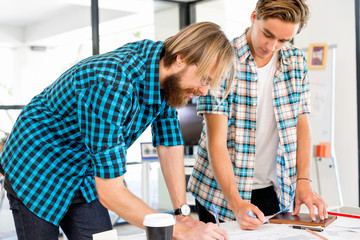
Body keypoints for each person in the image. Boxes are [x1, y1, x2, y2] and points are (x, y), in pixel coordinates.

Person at [0, 22, 236, 240]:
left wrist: (182, 214)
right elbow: (111, 193)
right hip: (36, 162)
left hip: (82, 167)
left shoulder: (165, 74)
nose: (204, 91)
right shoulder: (112, 83)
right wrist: (180, 232)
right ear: (181, 58)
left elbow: (169, 142)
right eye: (204, 79)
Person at [188, 0, 328, 230]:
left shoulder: (296, 61)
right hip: (219, 194)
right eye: (267, 34)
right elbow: (216, 143)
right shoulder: (222, 60)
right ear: (254, 17)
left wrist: (303, 180)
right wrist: (236, 203)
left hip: (275, 189)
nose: (272, 46)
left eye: (283, 40)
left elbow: (301, 122)